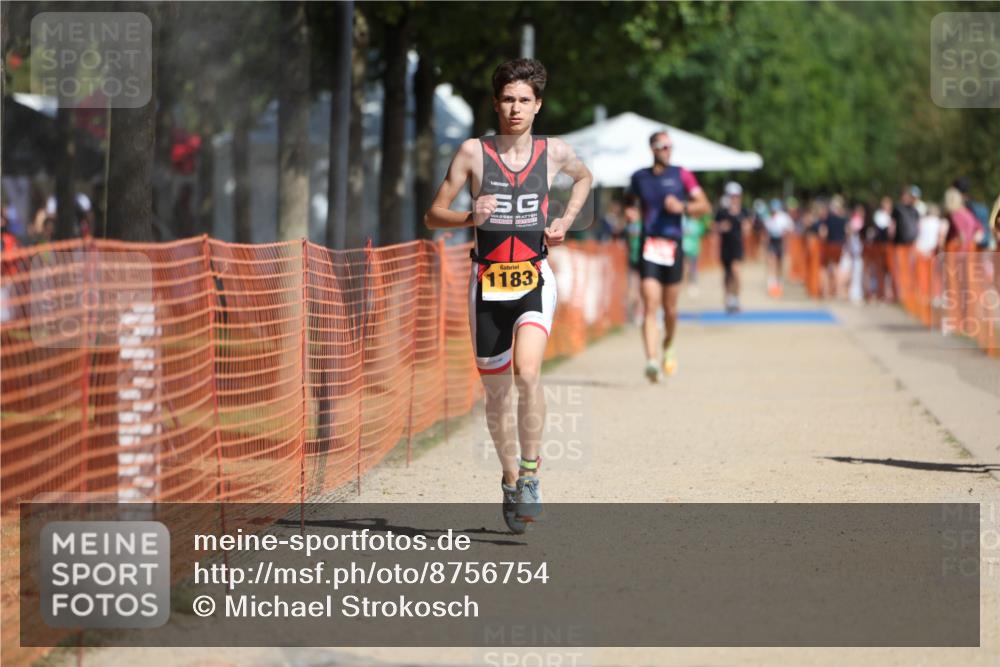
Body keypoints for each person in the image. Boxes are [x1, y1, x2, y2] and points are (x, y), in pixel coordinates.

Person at [423, 58, 592, 533]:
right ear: (496, 104)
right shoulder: (472, 154)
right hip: (488, 283)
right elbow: (433, 215)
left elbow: (584, 178)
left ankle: (533, 475)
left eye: (524, 100)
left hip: (534, 277)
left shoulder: (554, 152)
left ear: (538, 106)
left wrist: (565, 219)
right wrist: (468, 216)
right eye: (507, 100)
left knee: (528, 371)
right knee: (495, 396)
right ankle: (511, 477)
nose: (515, 109)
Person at [629, 131, 710, 382]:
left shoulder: (681, 175)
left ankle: (669, 343)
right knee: (650, 304)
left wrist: (683, 207)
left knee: (670, 308)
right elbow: (628, 202)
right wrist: (631, 213)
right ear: (652, 148)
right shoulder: (639, 177)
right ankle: (652, 360)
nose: (667, 150)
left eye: (670, 146)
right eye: (662, 146)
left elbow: (704, 206)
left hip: (673, 246)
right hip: (649, 246)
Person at [714, 182, 750, 314]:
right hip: (725, 247)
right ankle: (728, 297)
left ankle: (736, 298)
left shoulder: (744, 211)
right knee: (727, 275)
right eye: (732, 196)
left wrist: (746, 226)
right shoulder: (722, 212)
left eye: (737, 196)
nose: (735, 198)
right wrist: (721, 227)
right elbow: (714, 227)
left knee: (736, 272)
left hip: (737, 246)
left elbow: (748, 229)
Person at [764, 198, 793, 297]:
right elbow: (767, 233)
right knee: (772, 262)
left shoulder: (784, 217)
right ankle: (771, 285)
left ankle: (779, 284)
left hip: (781, 241)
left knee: (780, 263)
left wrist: (786, 243)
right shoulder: (768, 218)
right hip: (772, 241)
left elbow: (790, 230)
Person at [622, 193, 643, 325]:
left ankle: (636, 314)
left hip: (641, 260)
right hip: (633, 260)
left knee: (638, 290)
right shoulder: (630, 226)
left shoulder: (638, 224)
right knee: (633, 290)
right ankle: (632, 314)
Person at [943, 186, 983, 251]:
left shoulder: (955, 214)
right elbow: (979, 228)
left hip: (957, 250)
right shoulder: (967, 212)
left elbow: (961, 234)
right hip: (970, 249)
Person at [681, 209, 710, 295]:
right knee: (685, 268)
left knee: (692, 269)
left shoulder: (699, 225)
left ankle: (692, 284)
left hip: (694, 250)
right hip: (685, 249)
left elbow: (704, 231)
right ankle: (683, 284)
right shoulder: (685, 222)